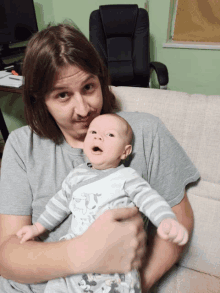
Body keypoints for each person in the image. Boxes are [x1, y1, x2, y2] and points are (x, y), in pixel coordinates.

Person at [0, 24, 200, 293]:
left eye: (89, 87)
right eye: (62, 95)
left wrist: (136, 286)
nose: (83, 110)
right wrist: (81, 253)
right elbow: (8, 256)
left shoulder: (145, 132)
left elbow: (180, 219)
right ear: (40, 100)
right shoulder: (22, 145)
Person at [16, 113, 189, 293]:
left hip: (112, 261)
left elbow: (149, 199)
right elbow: (58, 204)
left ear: (125, 151)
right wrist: (37, 228)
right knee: (54, 287)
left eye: (110, 135)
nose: (99, 136)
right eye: (93, 132)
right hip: (76, 258)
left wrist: (166, 219)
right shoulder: (76, 175)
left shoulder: (127, 177)